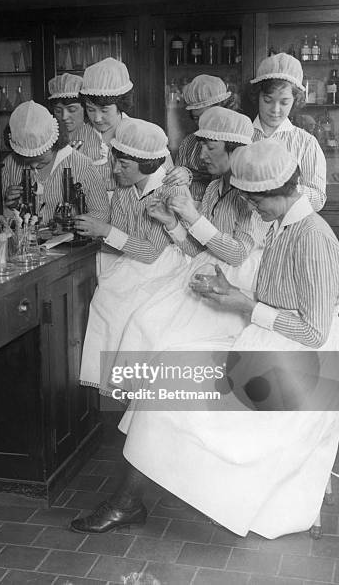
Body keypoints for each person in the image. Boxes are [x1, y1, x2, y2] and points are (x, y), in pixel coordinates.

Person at [71, 139, 339, 540]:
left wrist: (244, 305)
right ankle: (129, 500)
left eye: (256, 203)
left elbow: (314, 331)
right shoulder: (285, 225)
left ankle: (127, 502)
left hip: (305, 368)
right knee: (165, 369)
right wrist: (234, 295)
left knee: (168, 386)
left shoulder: (314, 237)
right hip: (270, 346)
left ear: (279, 191)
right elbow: (279, 299)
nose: (253, 211)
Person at [111, 107, 268, 357]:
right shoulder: (214, 187)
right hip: (206, 270)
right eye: (201, 146)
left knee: (164, 340)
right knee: (142, 321)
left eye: (210, 147)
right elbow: (199, 252)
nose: (201, 155)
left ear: (235, 148)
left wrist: (194, 218)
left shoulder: (253, 192)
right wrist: (172, 224)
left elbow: (238, 255)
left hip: (237, 283)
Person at [75, 117, 193, 390]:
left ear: (148, 164)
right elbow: (121, 233)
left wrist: (104, 230)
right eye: (115, 161)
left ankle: (133, 390)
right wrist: (100, 229)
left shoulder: (170, 189)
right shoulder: (125, 190)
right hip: (134, 260)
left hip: (167, 264)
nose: (115, 170)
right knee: (105, 300)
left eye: (123, 164)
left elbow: (152, 252)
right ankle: (109, 387)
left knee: (133, 314)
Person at [2, 101, 109, 225]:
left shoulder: (83, 166)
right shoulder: (9, 164)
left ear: (54, 143)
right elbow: (0, 217)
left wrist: (70, 227)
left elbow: (101, 214)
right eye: (27, 159)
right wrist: (9, 206)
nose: (33, 166)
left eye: (41, 159)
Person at [80, 57, 173, 192]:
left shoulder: (144, 136)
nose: (97, 118)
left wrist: (182, 173)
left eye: (104, 110)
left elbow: (168, 179)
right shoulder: (79, 137)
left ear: (120, 104)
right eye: (90, 109)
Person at [250, 52, 326, 211]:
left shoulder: (306, 143)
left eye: (284, 102)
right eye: (268, 100)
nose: (275, 110)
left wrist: (286, 187)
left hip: (287, 231)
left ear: (295, 100)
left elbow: (318, 199)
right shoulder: (242, 136)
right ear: (257, 96)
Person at [165, 74, 234, 200]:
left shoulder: (236, 141)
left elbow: (224, 177)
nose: (202, 123)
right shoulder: (188, 143)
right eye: (196, 118)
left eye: (206, 116)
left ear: (223, 109)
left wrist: (191, 174)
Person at [47, 72, 102, 160]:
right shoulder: (47, 139)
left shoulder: (98, 138)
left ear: (85, 109)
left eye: (72, 110)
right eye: (58, 111)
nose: (64, 117)